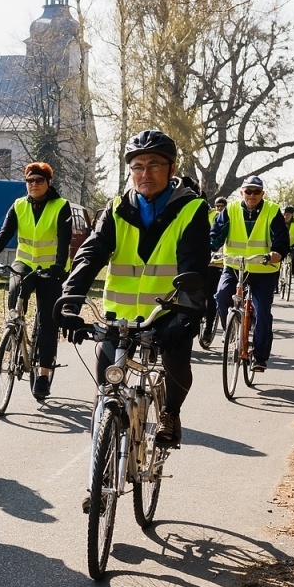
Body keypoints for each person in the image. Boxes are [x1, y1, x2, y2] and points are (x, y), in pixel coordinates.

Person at [57, 129, 208, 448]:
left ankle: (170, 412)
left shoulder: (190, 210)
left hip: (168, 313)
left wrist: (188, 314)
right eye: (138, 166)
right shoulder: (116, 209)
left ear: (171, 167)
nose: (145, 173)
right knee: (106, 387)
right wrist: (70, 300)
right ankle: (100, 475)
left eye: (154, 164)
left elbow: (193, 265)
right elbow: (90, 254)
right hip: (119, 315)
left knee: (177, 366)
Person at [0, 161, 74, 402]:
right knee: (15, 289)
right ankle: (14, 329)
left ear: (48, 183)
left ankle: (43, 374)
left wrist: (59, 268)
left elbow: (64, 242)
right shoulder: (19, 205)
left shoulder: (61, 207)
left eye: (38, 181)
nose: (33, 185)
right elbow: (5, 233)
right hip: (25, 263)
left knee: (48, 320)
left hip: (51, 268)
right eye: (29, 181)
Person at [211, 175, 289, 372]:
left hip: (263, 269)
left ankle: (260, 357)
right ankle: (232, 330)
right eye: (248, 191)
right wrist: (208, 250)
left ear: (262, 194)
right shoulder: (230, 209)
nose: (252, 195)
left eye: (256, 192)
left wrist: (276, 253)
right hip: (234, 266)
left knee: (262, 311)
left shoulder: (272, 211)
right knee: (221, 295)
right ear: (241, 193)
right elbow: (215, 234)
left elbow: (281, 238)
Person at [198, 196, 227, 350]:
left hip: (219, 263)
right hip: (203, 262)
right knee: (198, 295)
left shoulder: (223, 217)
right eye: (217, 205)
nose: (219, 208)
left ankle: (208, 330)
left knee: (212, 297)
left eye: (222, 206)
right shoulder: (202, 216)